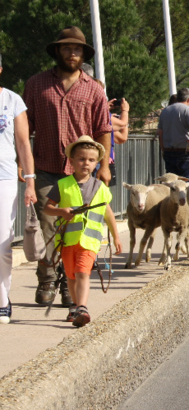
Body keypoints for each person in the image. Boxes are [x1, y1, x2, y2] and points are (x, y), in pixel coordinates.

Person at [23, 26, 112, 307]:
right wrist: (21, 164)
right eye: (67, 48)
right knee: (48, 225)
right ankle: (47, 278)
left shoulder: (94, 89)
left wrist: (105, 164)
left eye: (77, 50)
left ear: (83, 54)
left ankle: (67, 280)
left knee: (75, 228)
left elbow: (103, 129)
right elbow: (24, 128)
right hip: (46, 166)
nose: (72, 53)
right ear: (57, 51)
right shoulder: (36, 85)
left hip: (81, 173)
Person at [42, 136, 122, 327]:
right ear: (71, 161)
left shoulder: (100, 187)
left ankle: (82, 308)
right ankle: (75, 306)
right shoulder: (62, 185)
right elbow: (47, 208)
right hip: (67, 241)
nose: (86, 163)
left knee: (83, 273)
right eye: (81, 159)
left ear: (96, 163)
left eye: (91, 160)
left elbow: (107, 212)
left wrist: (116, 236)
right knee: (70, 275)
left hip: (90, 241)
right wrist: (61, 211)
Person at [1, 52, 37, 324]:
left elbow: (24, 144)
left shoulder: (12, 100)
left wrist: (30, 182)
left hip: (4, 179)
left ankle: (2, 299)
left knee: (2, 243)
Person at [157, 88, 189, 178]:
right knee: (186, 182)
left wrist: (163, 149)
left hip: (168, 152)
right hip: (185, 153)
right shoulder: (188, 110)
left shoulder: (165, 111)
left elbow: (160, 133)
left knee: (172, 183)